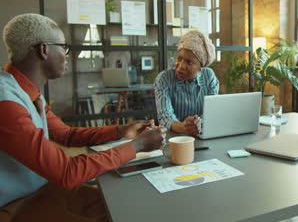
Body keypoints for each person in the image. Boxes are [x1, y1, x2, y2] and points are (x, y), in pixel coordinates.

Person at [0, 13, 164, 222]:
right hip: (16, 206)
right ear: (44, 50)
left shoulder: (27, 93)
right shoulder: (6, 103)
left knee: (128, 205)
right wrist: (137, 145)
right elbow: (68, 171)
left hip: (45, 191)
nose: (67, 55)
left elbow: (66, 135)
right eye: (63, 47)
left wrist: (122, 131)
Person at [155, 30, 219, 136]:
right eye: (179, 59)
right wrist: (183, 127)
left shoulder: (208, 76)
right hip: (174, 139)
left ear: (201, 66)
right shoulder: (164, 79)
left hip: (202, 134)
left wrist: (198, 123)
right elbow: (165, 117)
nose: (181, 66)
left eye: (189, 62)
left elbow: (212, 110)